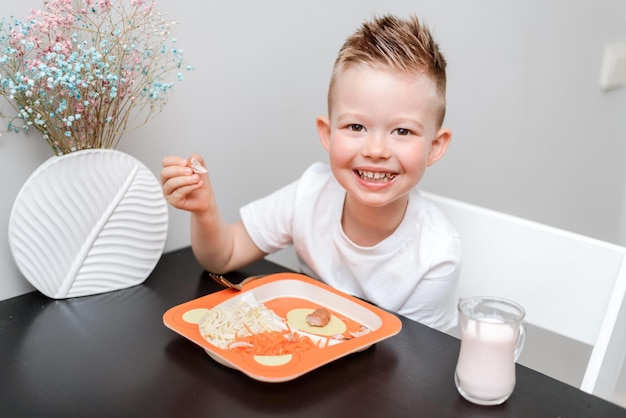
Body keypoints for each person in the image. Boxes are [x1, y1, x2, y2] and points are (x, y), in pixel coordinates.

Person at [161, 14, 461, 331]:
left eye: (402, 131)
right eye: (356, 126)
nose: (376, 150)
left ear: (435, 146)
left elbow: (416, 364)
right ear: (328, 134)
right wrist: (205, 210)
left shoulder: (436, 254)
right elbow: (223, 256)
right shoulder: (309, 194)